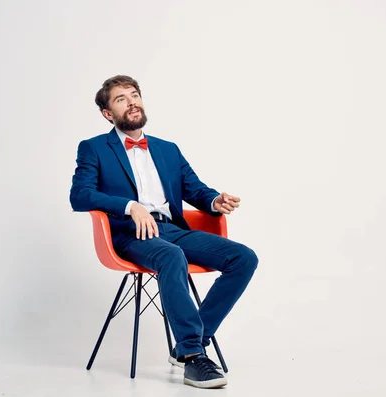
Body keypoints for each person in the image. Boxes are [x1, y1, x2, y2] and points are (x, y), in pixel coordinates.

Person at [70, 75, 258, 389]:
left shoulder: (167, 149)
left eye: (134, 95)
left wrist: (215, 200)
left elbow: (195, 190)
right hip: (129, 235)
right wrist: (130, 205)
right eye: (120, 99)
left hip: (171, 229)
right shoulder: (94, 149)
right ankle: (195, 358)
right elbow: (80, 195)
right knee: (171, 257)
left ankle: (189, 343)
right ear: (108, 114)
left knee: (243, 258)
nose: (131, 102)